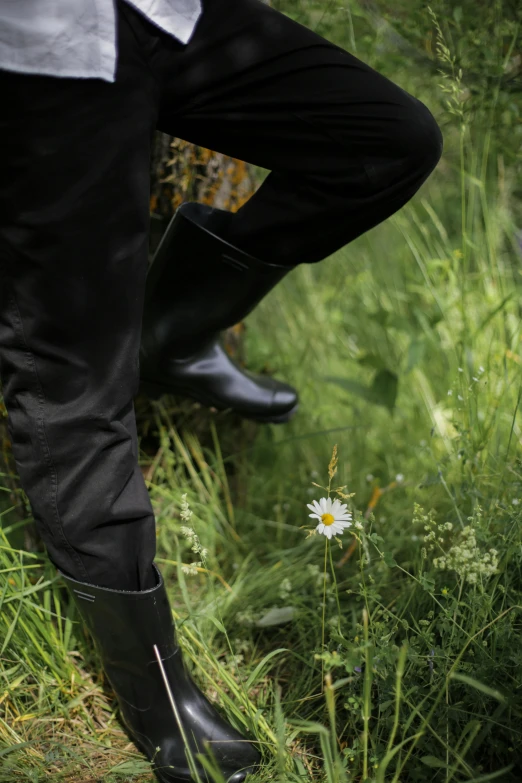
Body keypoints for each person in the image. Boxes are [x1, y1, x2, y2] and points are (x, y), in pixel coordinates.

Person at [0, 0, 443, 780]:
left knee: (387, 139)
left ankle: (166, 336)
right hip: (42, 52)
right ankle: (159, 694)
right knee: (72, 382)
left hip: (163, 12)